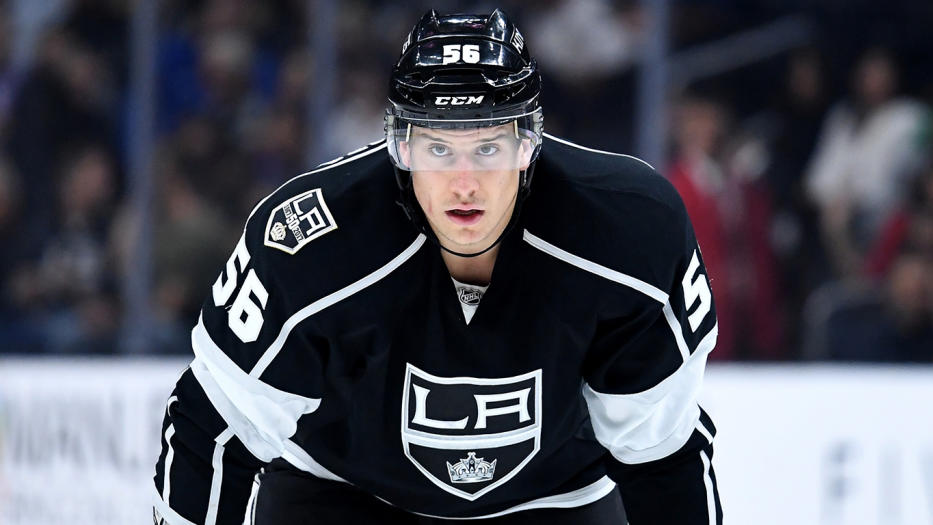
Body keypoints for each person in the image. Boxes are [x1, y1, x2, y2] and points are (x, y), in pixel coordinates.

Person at [152, 9, 721, 524]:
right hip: (341, 493)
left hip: (555, 497)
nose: (464, 183)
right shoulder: (307, 246)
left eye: (488, 148)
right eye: (439, 149)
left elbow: (662, 457)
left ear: (529, 144)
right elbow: (213, 432)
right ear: (399, 147)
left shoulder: (628, 234)